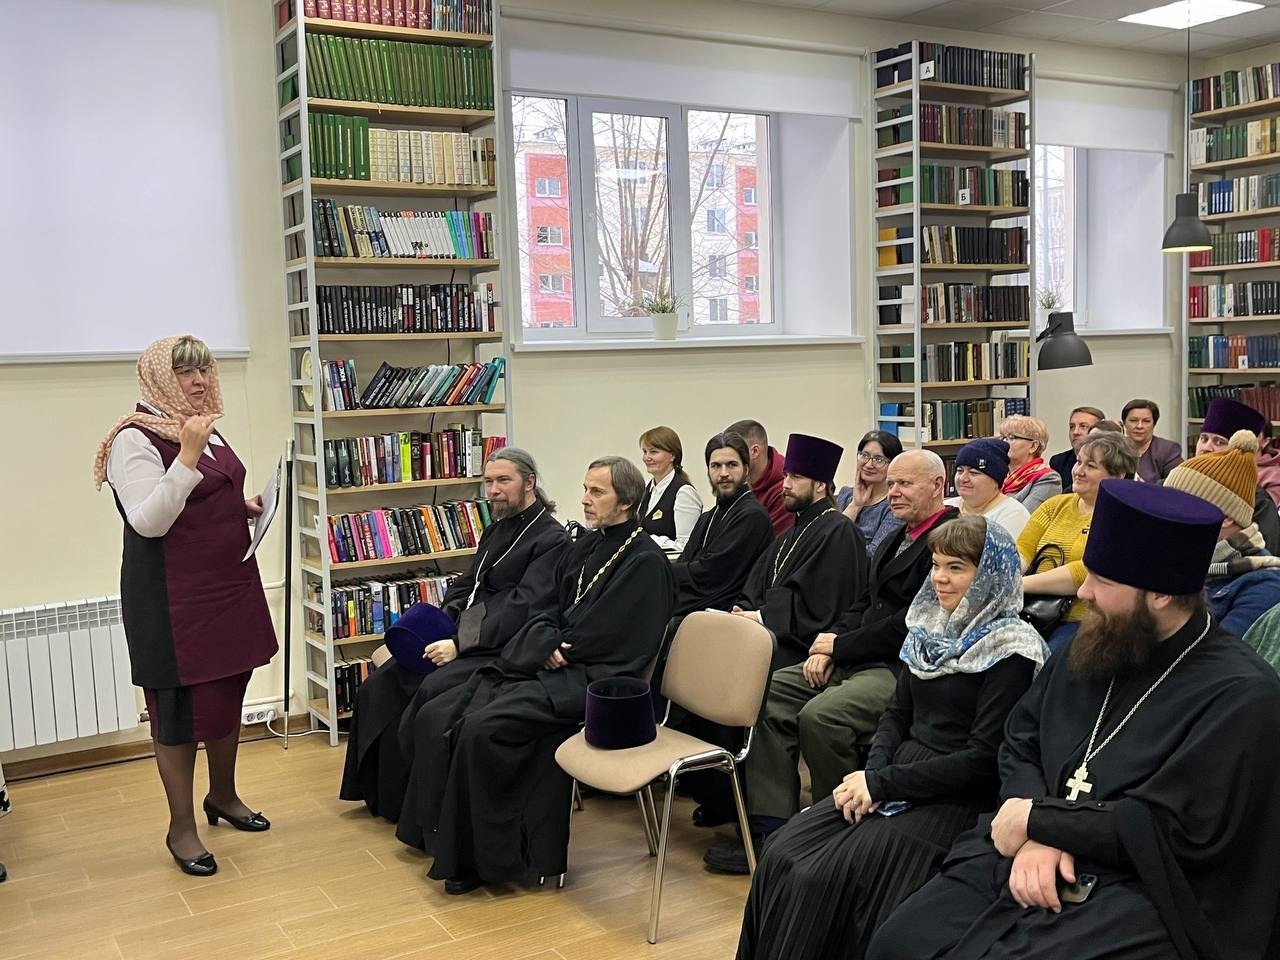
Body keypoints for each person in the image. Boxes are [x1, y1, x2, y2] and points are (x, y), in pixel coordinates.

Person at [868, 480, 1280, 960]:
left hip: (1140, 883)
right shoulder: (1098, 644)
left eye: (1101, 580)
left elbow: (1178, 830)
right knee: (897, 942)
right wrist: (1033, 824)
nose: (1084, 592)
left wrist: (1047, 824)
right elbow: (1020, 740)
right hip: (1025, 844)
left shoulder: (1242, 695)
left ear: (1161, 594)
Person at [736, 517, 1045, 960]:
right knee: (781, 852)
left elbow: (982, 759)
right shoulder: (929, 628)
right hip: (896, 775)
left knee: (817, 877)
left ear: (990, 576)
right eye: (936, 565)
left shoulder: (1012, 650)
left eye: (956, 568)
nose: (939, 578)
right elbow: (896, 715)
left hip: (955, 797)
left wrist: (882, 784)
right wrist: (873, 772)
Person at [393, 456, 674, 894]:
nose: (585, 499)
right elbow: (545, 608)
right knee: (452, 711)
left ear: (626, 501)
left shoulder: (646, 562)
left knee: (484, 729)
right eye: (585, 488)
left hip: (597, 683)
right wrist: (545, 642)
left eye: (597, 492)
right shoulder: (587, 545)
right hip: (549, 664)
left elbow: (618, 638)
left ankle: (494, 861)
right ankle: (452, 844)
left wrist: (555, 644)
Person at [705, 451, 957, 874]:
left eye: (905, 484)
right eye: (891, 484)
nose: (893, 492)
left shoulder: (949, 540)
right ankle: (771, 829)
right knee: (767, 695)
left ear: (937, 485)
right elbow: (863, 602)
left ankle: (833, 834)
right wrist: (828, 646)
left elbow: (910, 624)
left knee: (821, 717)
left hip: (902, 668)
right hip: (856, 656)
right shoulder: (897, 536)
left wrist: (839, 648)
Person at [95, 335, 277, 876]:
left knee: (228, 692)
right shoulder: (135, 438)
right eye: (184, 372)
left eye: (203, 370)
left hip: (228, 587)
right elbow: (149, 520)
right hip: (173, 601)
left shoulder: (200, 425)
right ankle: (181, 828)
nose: (198, 381)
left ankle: (223, 795)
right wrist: (190, 455)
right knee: (177, 713)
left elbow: (203, 495)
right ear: (158, 378)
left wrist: (240, 504)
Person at [339, 447, 569, 821]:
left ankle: (408, 808)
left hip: (498, 645)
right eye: (488, 481)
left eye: (503, 481)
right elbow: (467, 584)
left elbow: (521, 606)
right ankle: (379, 793)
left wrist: (460, 643)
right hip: (462, 634)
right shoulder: (497, 527)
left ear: (529, 482)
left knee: (426, 690)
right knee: (380, 684)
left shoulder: (551, 539)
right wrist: (445, 622)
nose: (494, 490)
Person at [732, 433, 867, 669]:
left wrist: (761, 616)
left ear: (821, 485)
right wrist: (744, 607)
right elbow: (759, 580)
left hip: (802, 648)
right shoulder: (790, 533)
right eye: (785, 475)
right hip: (767, 635)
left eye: (796, 477)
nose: (785, 484)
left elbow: (823, 604)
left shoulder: (840, 531)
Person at [1018, 433, 1137, 651]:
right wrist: (1007, 578)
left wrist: (1017, 585)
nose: (1078, 471)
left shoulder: (1123, 517)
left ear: (1118, 474)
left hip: (1082, 620)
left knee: (1047, 660)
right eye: (1078, 461)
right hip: (1030, 609)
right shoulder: (1055, 505)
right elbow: (1023, 550)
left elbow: (1085, 572)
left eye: (1090, 466)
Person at [1166, 431, 1280, 637]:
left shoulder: (1263, 585)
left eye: (1181, 504)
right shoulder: (1177, 555)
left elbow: (1222, 652)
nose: (1168, 513)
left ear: (1225, 517)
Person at [672, 431, 775, 617]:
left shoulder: (752, 516)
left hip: (725, 613)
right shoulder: (708, 517)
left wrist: (661, 569)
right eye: (716, 466)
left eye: (732, 465)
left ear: (746, 469)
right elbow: (685, 561)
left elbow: (712, 575)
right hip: (696, 606)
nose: (724, 473)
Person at [1194, 396, 1280, 553]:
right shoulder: (1170, 485)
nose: (1206, 448)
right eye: (1203, 438)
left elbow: (1264, 557)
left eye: (1219, 442)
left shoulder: (1257, 503)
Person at [945, 438, 1030, 538]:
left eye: (973, 473)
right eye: (960, 471)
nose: (963, 478)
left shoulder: (1013, 514)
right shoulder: (946, 508)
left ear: (996, 481)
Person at [838, 431, 905, 557]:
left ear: (893, 464)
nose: (869, 464)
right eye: (864, 455)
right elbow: (828, 536)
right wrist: (855, 505)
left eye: (879, 459)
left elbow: (874, 554)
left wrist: (834, 549)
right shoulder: (845, 494)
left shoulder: (894, 505)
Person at [637, 425, 703, 552]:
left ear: (672, 455)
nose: (647, 457)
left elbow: (686, 547)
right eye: (645, 451)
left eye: (653, 452)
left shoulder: (684, 493)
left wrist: (647, 540)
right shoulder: (645, 487)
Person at [728, 419, 794, 536]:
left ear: (754, 451)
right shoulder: (738, 481)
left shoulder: (784, 490)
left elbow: (771, 543)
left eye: (733, 452)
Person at [998, 415, 1062, 514]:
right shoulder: (998, 475)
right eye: (1002, 437)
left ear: (1033, 446)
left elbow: (1023, 517)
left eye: (1011, 437)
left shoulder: (1048, 479)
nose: (1003, 443)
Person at [1123, 398, 1183, 484]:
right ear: (1124, 423)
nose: (1139, 426)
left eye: (1146, 421)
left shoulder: (1168, 450)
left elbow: (1174, 483)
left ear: (1154, 424)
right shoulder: (1115, 448)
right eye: (1133, 420)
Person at [1049, 406, 1105, 490]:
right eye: (1072, 427)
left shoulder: (1109, 461)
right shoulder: (1059, 461)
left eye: (1083, 426)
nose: (1075, 432)